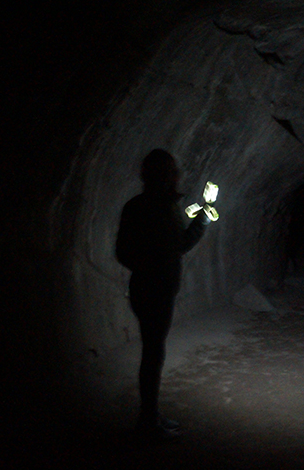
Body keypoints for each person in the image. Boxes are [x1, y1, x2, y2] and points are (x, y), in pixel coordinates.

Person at [115, 149, 212, 441]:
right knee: (153, 354)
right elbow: (178, 245)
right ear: (166, 176)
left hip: (143, 287)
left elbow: (123, 252)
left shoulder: (136, 205)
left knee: (152, 351)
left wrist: (144, 267)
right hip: (157, 290)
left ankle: (150, 415)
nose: (177, 176)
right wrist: (201, 223)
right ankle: (148, 421)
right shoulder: (162, 207)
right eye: (172, 171)